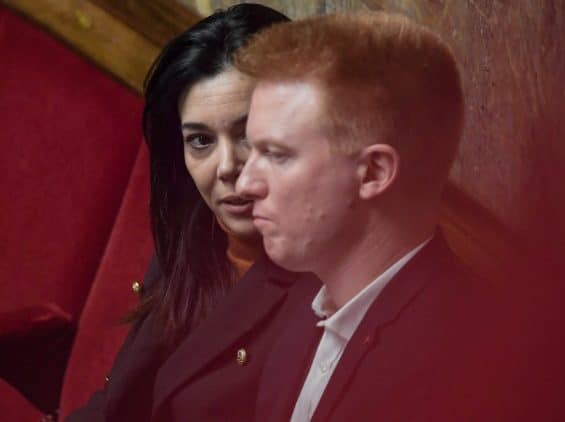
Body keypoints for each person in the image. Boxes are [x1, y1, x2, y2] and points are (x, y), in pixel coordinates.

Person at [234, 12, 523, 421]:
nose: (245, 183)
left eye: (277, 155)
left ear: (373, 172)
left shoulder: (470, 365)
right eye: (252, 150)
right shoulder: (298, 313)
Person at [66, 4, 318, 421]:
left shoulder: (332, 285)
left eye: (248, 133)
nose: (226, 167)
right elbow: (119, 404)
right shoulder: (193, 234)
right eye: (201, 141)